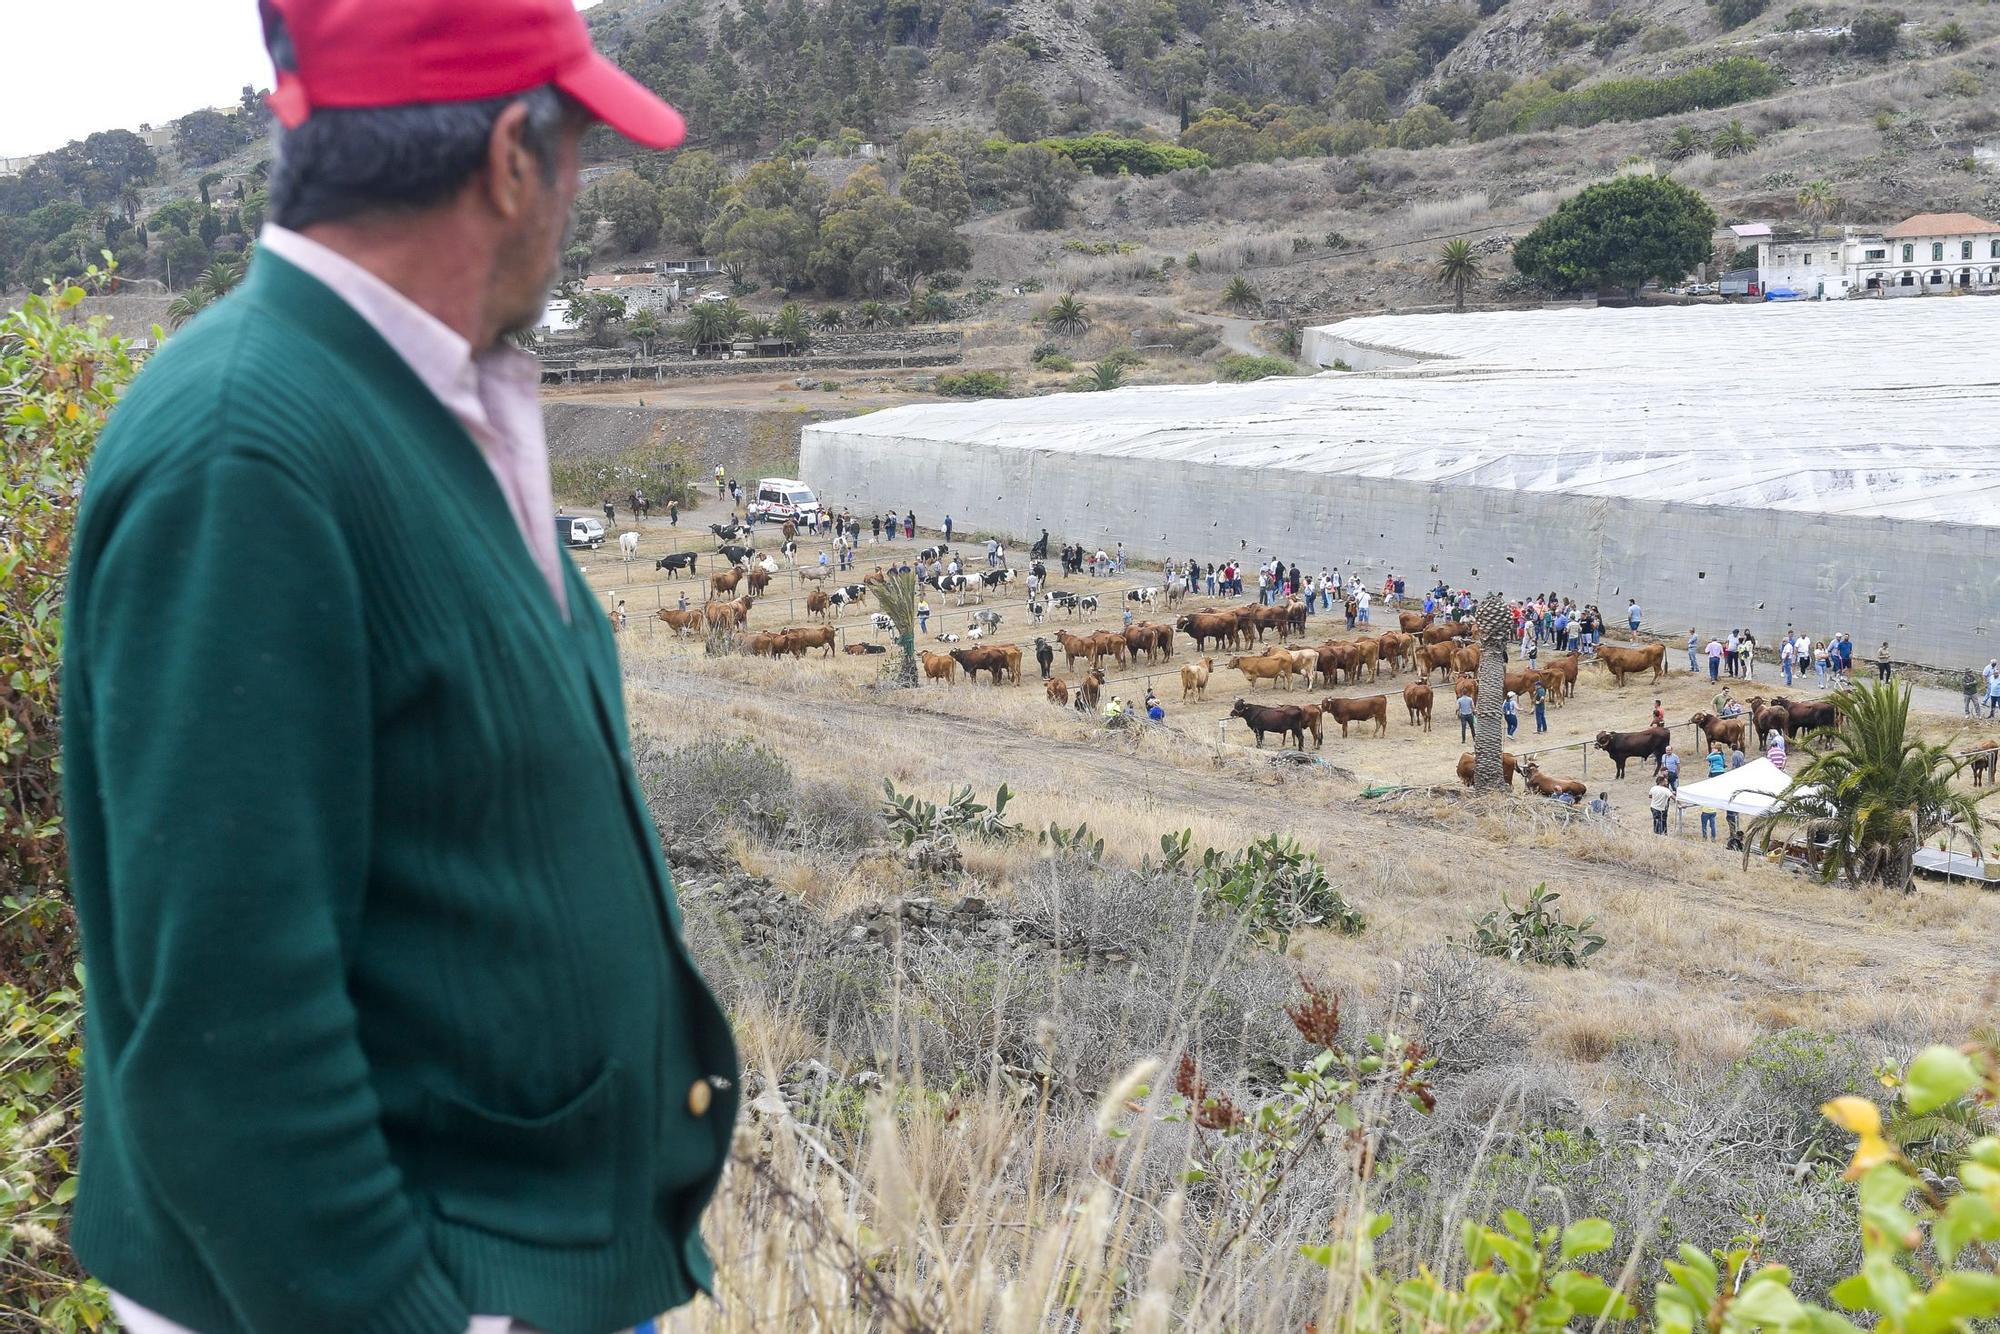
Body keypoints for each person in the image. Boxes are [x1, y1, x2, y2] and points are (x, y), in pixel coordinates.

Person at [63, 2, 736, 1330]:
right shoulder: (245, 459)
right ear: (507, 160)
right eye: (577, 147)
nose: (579, 192)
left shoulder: (408, 398)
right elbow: (226, 1041)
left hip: (514, 1254)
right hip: (424, 1284)